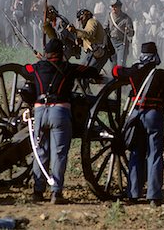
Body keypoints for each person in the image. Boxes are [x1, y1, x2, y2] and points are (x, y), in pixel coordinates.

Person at [23, 38, 99, 204]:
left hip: (40, 112)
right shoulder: (69, 68)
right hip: (60, 112)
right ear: (61, 53)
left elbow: (25, 69)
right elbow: (90, 71)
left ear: (47, 53)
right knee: (58, 154)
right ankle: (56, 193)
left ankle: (38, 191)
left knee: (40, 152)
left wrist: (41, 61)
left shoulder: (36, 68)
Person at [112, 42, 164, 206]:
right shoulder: (163, 75)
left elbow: (116, 71)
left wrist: (120, 67)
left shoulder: (134, 71)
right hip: (154, 115)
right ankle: (154, 196)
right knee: (155, 155)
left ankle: (133, 194)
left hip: (136, 116)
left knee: (136, 153)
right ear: (155, 56)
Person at [104, 0, 134, 66]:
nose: (114, 8)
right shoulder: (109, 16)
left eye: (115, 6)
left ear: (120, 7)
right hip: (112, 43)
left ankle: (122, 76)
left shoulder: (126, 18)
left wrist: (128, 30)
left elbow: (131, 33)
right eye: (112, 6)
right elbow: (105, 27)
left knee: (121, 64)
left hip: (122, 43)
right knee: (113, 64)